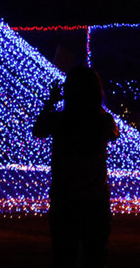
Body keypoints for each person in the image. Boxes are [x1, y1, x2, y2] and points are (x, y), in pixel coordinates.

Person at [32, 66, 120, 267]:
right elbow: (115, 134)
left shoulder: (59, 120)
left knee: (64, 257)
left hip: (65, 201)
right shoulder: (103, 120)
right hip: (95, 201)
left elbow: (38, 130)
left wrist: (51, 101)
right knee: (95, 257)